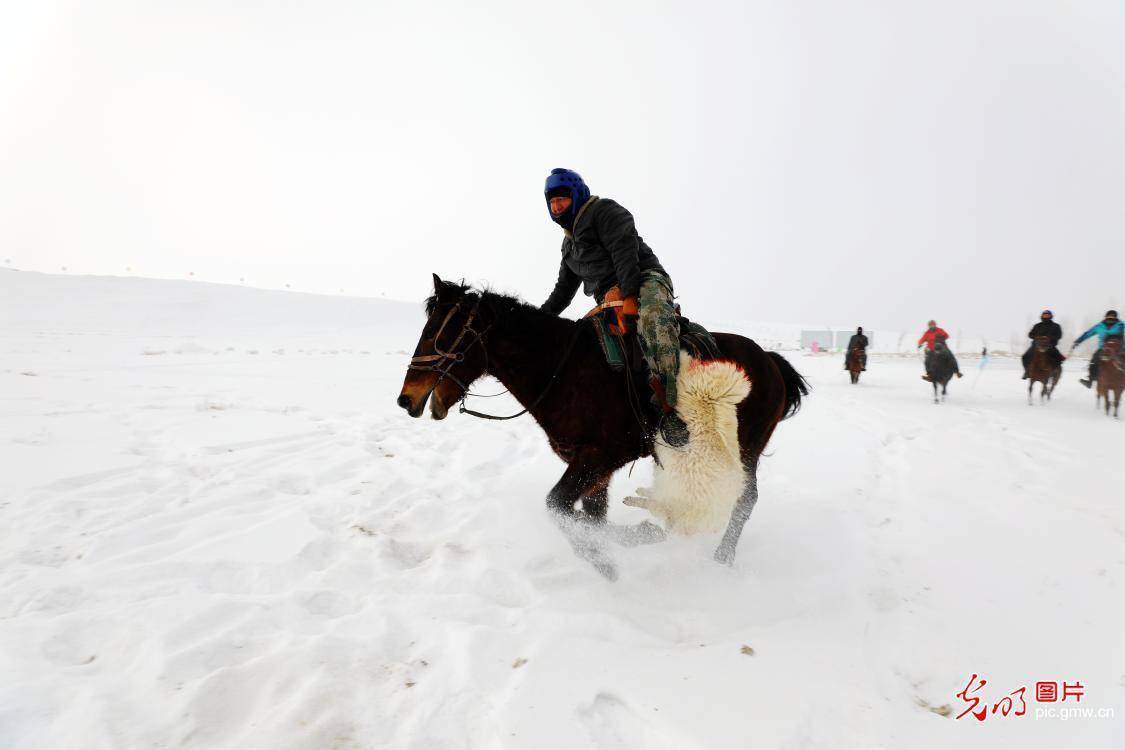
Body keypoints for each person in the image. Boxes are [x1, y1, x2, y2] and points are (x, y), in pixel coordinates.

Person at [538, 168, 689, 446]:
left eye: (562, 198)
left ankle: (673, 410)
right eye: (552, 202)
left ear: (576, 194)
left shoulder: (603, 211)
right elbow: (563, 290)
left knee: (653, 322)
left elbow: (624, 251)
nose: (557, 206)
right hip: (607, 299)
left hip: (644, 279)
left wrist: (628, 293)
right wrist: (538, 320)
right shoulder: (568, 246)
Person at [1071, 310, 1124, 388]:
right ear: (1106, 317)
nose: (1110, 319)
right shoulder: (1099, 326)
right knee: (1094, 360)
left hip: (1118, 349)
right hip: (1103, 348)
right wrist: (1078, 341)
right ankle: (1090, 380)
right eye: (1109, 317)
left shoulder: (1121, 325)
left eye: (1113, 318)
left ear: (1116, 318)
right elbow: (1088, 333)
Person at [1021, 309, 1064, 379]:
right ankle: (1027, 372)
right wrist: (1037, 337)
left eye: (1047, 315)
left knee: (1059, 358)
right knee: (1024, 357)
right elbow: (1030, 334)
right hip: (1036, 346)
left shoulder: (1056, 326)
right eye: (1044, 315)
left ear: (1051, 316)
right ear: (1042, 316)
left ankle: (1055, 371)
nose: (1046, 316)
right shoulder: (1037, 325)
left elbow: (1059, 335)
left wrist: (1049, 338)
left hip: (1050, 346)